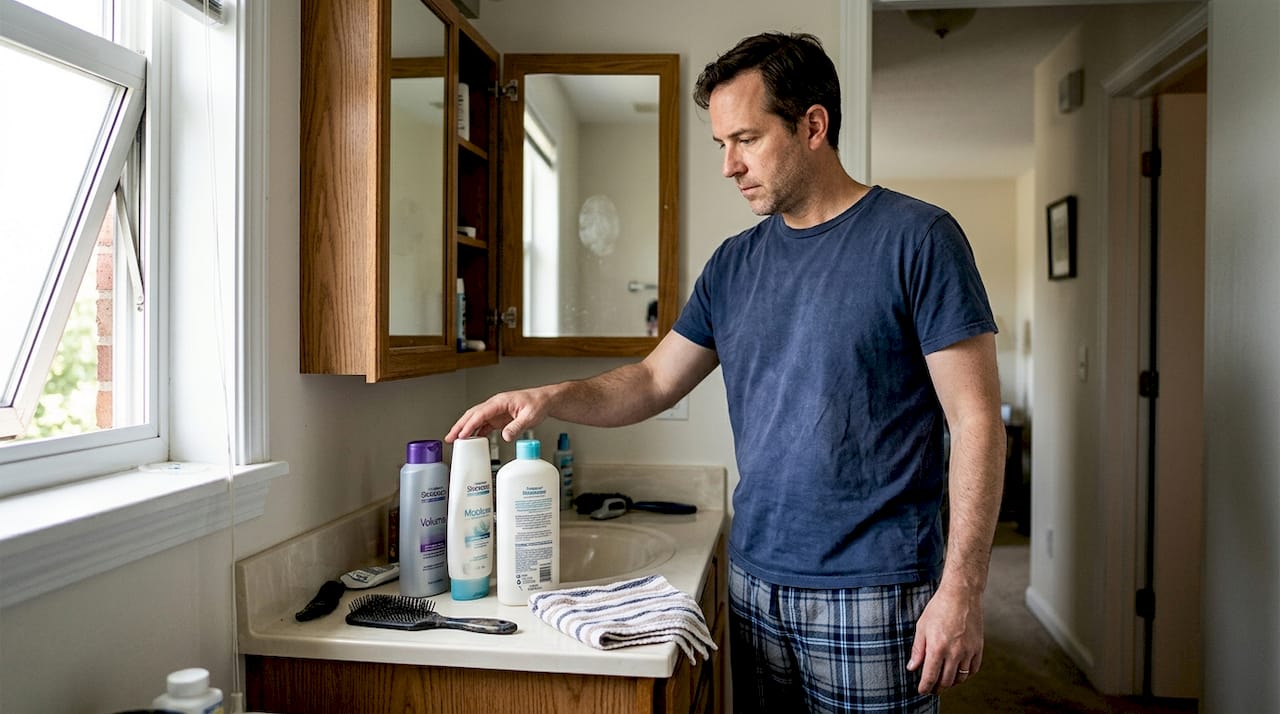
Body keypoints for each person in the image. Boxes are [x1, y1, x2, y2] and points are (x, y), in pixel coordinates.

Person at [447, 31, 1005, 714]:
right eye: (720, 145)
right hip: (756, 584)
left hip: (875, 590)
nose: (729, 166)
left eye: (745, 138)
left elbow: (976, 421)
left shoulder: (918, 240)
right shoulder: (734, 266)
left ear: (813, 126)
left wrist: (963, 590)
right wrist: (552, 395)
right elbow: (653, 382)